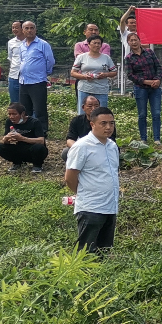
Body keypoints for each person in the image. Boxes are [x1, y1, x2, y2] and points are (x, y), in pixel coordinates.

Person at [65, 106, 120, 253]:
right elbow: (70, 177)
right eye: (103, 123)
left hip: (110, 206)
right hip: (91, 207)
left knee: (104, 250)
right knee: (85, 252)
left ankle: (102, 276)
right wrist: (83, 192)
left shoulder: (112, 146)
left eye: (111, 123)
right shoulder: (82, 146)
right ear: (92, 124)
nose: (108, 127)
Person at [124, 32, 162, 143]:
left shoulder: (150, 52)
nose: (134, 42)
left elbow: (158, 67)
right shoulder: (129, 58)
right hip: (140, 88)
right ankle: (143, 139)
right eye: (131, 40)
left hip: (155, 88)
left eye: (135, 40)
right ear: (128, 43)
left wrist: (157, 80)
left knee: (156, 113)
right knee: (142, 114)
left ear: (139, 41)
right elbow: (130, 75)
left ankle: (157, 138)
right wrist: (146, 82)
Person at [17, 21, 56, 132]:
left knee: (39, 109)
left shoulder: (43, 44)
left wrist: (45, 72)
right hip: (24, 81)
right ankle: (26, 130)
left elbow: (50, 61)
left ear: (35, 30)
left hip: (37, 82)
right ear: (23, 30)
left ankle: (42, 131)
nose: (29, 30)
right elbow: (22, 61)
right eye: (27, 28)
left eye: (32, 28)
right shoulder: (22, 46)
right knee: (24, 109)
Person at [0, 102, 49, 173]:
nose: (11, 117)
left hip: (32, 150)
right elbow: (6, 142)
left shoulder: (34, 122)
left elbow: (41, 141)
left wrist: (22, 138)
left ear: (22, 114)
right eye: (9, 114)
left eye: (14, 114)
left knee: (38, 147)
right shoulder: (9, 122)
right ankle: (17, 162)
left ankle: (37, 165)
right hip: (18, 148)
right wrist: (6, 139)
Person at [62, 94, 119, 161]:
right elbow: (70, 140)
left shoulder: (107, 121)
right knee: (66, 152)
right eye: (90, 106)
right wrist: (81, 148)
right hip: (82, 148)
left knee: (114, 151)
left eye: (96, 106)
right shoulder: (77, 120)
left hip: (102, 148)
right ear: (83, 107)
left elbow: (110, 140)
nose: (93, 108)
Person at [70, 36, 117, 113]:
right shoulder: (82, 57)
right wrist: (84, 77)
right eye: (94, 43)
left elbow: (114, 72)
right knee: (83, 114)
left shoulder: (106, 58)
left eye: (99, 43)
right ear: (88, 44)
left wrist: (105, 75)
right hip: (84, 89)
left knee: (101, 114)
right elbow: (73, 72)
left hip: (101, 90)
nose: (97, 45)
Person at [6, 20, 24, 103]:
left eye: (17, 27)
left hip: (28, 77)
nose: (14, 29)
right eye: (13, 28)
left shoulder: (30, 41)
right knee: (14, 102)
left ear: (23, 28)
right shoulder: (11, 42)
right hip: (14, 76)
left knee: (28, 102)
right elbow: (10, 58)